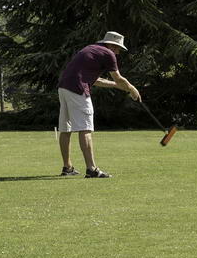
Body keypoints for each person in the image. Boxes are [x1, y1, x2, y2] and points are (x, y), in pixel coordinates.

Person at [57, 31, 141, 178]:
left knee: (66, 128)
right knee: (85, 129)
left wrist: (116, 85)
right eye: (118, 48)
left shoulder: (91, 49)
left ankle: (68, 167)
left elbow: (96, 81)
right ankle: (92, 169)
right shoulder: (108, 54)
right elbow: (119, 77)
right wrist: (132, 89)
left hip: (64, 88)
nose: (118, 52)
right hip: (77, 89)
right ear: (111, 45)